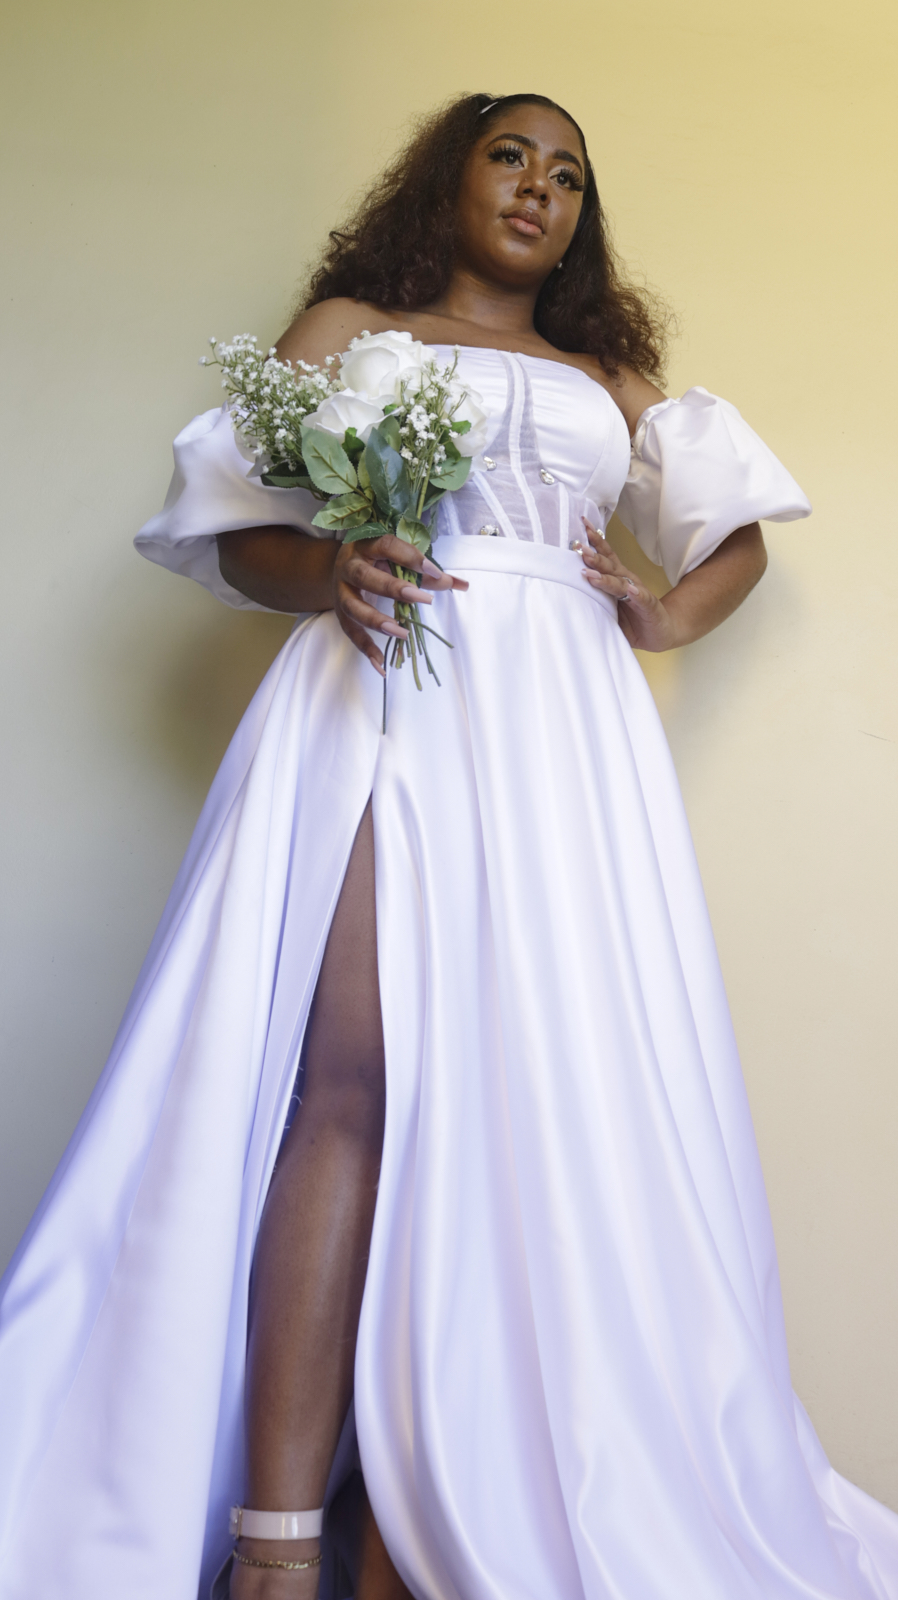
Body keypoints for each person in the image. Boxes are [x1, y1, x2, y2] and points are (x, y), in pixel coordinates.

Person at [0, 90, 895, 1600]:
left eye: (568, 174)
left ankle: (450, 1493)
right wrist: (333, 569)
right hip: (383, 693)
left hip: (565, 737)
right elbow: (240, 538)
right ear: (448, 178)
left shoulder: (607, 376)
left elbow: (733, 535)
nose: (539, 188)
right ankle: (277, 1537)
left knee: (528, 1093)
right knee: (349, 1072)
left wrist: (661, 612)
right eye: (509, 156)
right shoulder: (351, 328)